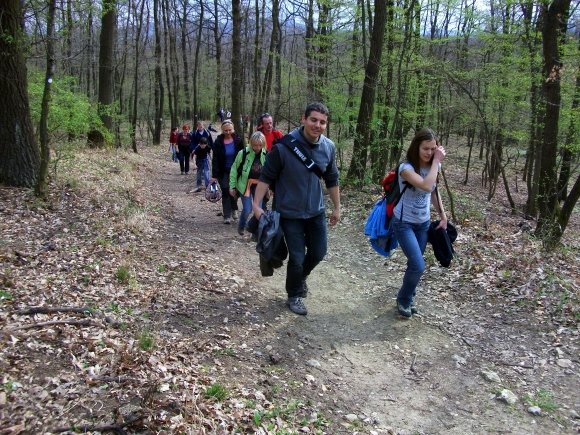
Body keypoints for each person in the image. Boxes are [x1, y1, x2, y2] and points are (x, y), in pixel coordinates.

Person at [252, 102, 341, 315]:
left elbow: (332, 178)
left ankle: (299, 278)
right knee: (298, 257)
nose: (317, 125)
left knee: (319, 253)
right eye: (313, 120)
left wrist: (337, 207)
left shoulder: (328, 147)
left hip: (316, 212)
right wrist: (256, 205)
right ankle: (294, 295)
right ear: (303, 119)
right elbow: (266, 177)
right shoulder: (283, 147)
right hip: (289, 213)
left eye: (322, 122)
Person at [391, 127, 447, 318]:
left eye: (433, 149)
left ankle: (409, 296)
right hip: (403, 223)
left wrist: (443, 215)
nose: (430, 153)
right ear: (416, 147)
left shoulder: (432, 166)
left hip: (423, 223)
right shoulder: (405, 168)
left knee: (414, 263)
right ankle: (404, 299)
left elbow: (434, 191)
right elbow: (425, 185)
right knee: (418, 265)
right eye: (426, 149)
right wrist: (437, 163)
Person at [229, 131, 268, 236]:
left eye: (260, 145)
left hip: (259, 185)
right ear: (251, 143)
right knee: (247, 209)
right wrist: (232, 186)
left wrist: (271, 187)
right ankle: (241, 226)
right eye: (255, 145)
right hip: (244, 184)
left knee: (258, 210)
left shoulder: (266, 154)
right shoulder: (243, 153)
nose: (257, 147)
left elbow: (269, 172)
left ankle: (255, 232)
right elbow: (234, 169)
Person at [211, 120, 243, 224]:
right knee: (225, 191)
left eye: (230, 130)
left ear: (233, 129)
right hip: (223, 171)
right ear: (222, 130)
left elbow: (244, 156)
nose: (228, 132)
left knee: (233, 192)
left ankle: (234, 208)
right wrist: (214, 175)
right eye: (225, 130)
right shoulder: (218, 142)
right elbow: (215, 159)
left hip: (236, 171)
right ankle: (227, 215)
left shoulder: (238, 140)